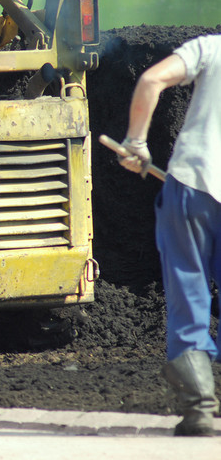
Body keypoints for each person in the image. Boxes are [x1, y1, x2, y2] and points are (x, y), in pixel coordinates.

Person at [118, 34, 221, 436]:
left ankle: (198, 408)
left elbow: (150, 80)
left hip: (192, 185)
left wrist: (136, 142)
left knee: (189, 291)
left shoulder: (212, 48)